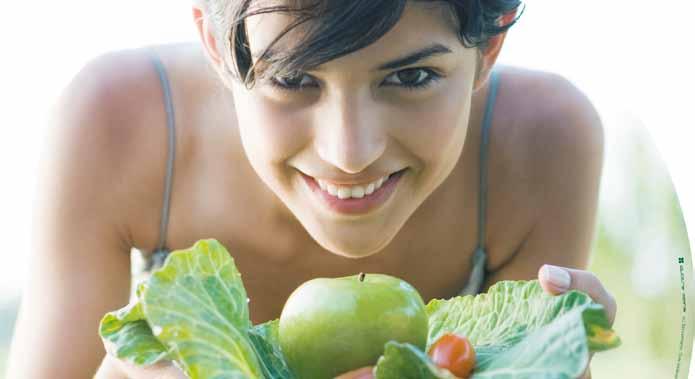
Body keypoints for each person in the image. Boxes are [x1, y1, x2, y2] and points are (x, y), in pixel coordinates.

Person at [6, 0, 616, 378]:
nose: (349, 153)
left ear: (487, 52)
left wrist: (557, 362)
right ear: (219, 47)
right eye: (294, 76)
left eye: (412, 75)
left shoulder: (542, 141)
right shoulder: (117, 120)